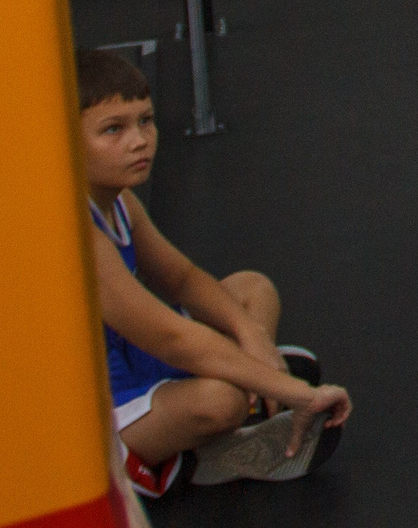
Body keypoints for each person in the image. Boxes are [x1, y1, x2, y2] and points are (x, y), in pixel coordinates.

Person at [77, 49, 352, 499]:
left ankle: (237, 409)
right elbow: (172, 339)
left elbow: (182, 279)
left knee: (252, 289)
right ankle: (214, 438)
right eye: (114, 129)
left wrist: (251, 336)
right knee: (219, 400)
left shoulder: (120, 202)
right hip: (99, 406)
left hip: (133, 357)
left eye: (146, 121)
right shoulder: (76, 233)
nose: (140, 141)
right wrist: (295, 392)